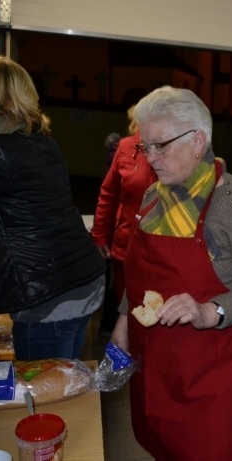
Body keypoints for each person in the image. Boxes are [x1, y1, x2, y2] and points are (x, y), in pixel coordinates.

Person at [109, 86, 232, 460]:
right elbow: (139, 272)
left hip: (211, 368)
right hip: (155, 361)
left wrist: (210, 311)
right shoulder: (154, 195)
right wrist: (124, 317)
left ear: (198, 140)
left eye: (161, 146)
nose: (151, 158)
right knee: (160, 442)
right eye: (145, 147)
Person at [0, 56, 106, 359]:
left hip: (49, 296)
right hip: (77, 280)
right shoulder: (40, 143)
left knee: (42, 394)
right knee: (64, 385)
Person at [92, 105, 157, 330]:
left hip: (161, 246)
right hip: (126, 244)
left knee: (156, 309)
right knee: (127, 310)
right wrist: (100, 234)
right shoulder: (126, 147)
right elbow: (109, 193)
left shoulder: (174, 147)